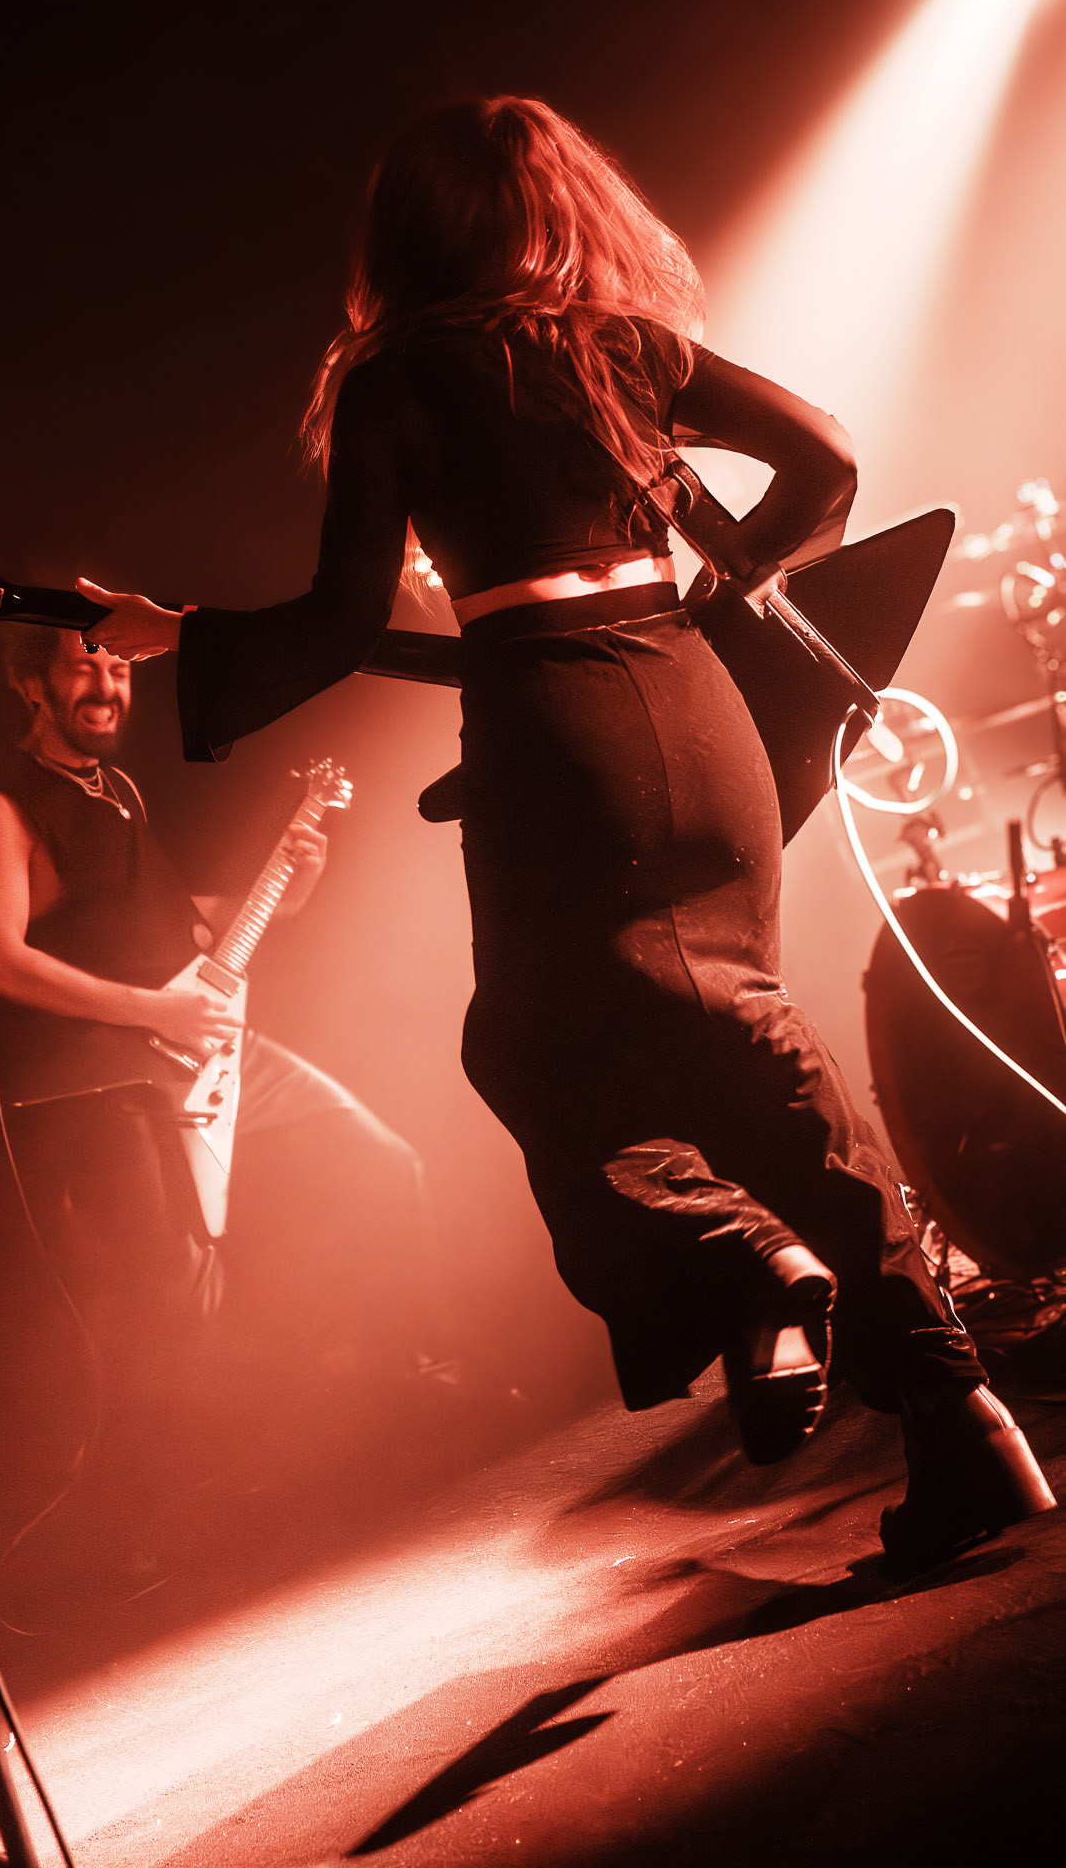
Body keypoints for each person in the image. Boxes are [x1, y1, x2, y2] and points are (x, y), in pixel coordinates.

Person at [75, 95, 1055, 1574]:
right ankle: (952, 1415)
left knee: (533, 1051)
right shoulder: (619, 348)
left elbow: (341, 619)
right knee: (748, 1035)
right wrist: (716, 598)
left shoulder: (397, 376)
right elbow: (830, 459)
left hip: (556, 733)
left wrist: (181, 637)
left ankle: (748, 1262)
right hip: (697, 711)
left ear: (406, 232)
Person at [0, 623, 444, 1574]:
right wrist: (154, 1011)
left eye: (118, 667)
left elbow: (179, 927)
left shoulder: (119, 791)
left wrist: (290, 882)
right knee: (172, 1311)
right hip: (100, 1083)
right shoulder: (0, 805)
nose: (108, 684)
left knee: (381, 1163)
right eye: (84, 665)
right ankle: (146, 1538)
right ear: (30, 683)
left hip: (201, 1050)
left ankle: (402, 1384)